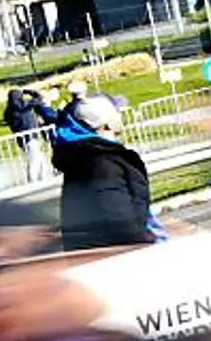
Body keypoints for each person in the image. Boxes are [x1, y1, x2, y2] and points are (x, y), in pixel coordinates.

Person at [53, 93, 156, 250]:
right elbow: (121, 224)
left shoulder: (83, 157)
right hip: (121, 260)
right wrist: (146, 245)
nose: (121, 114)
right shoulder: (104, 163)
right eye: (117, 111)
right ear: (105, 123)